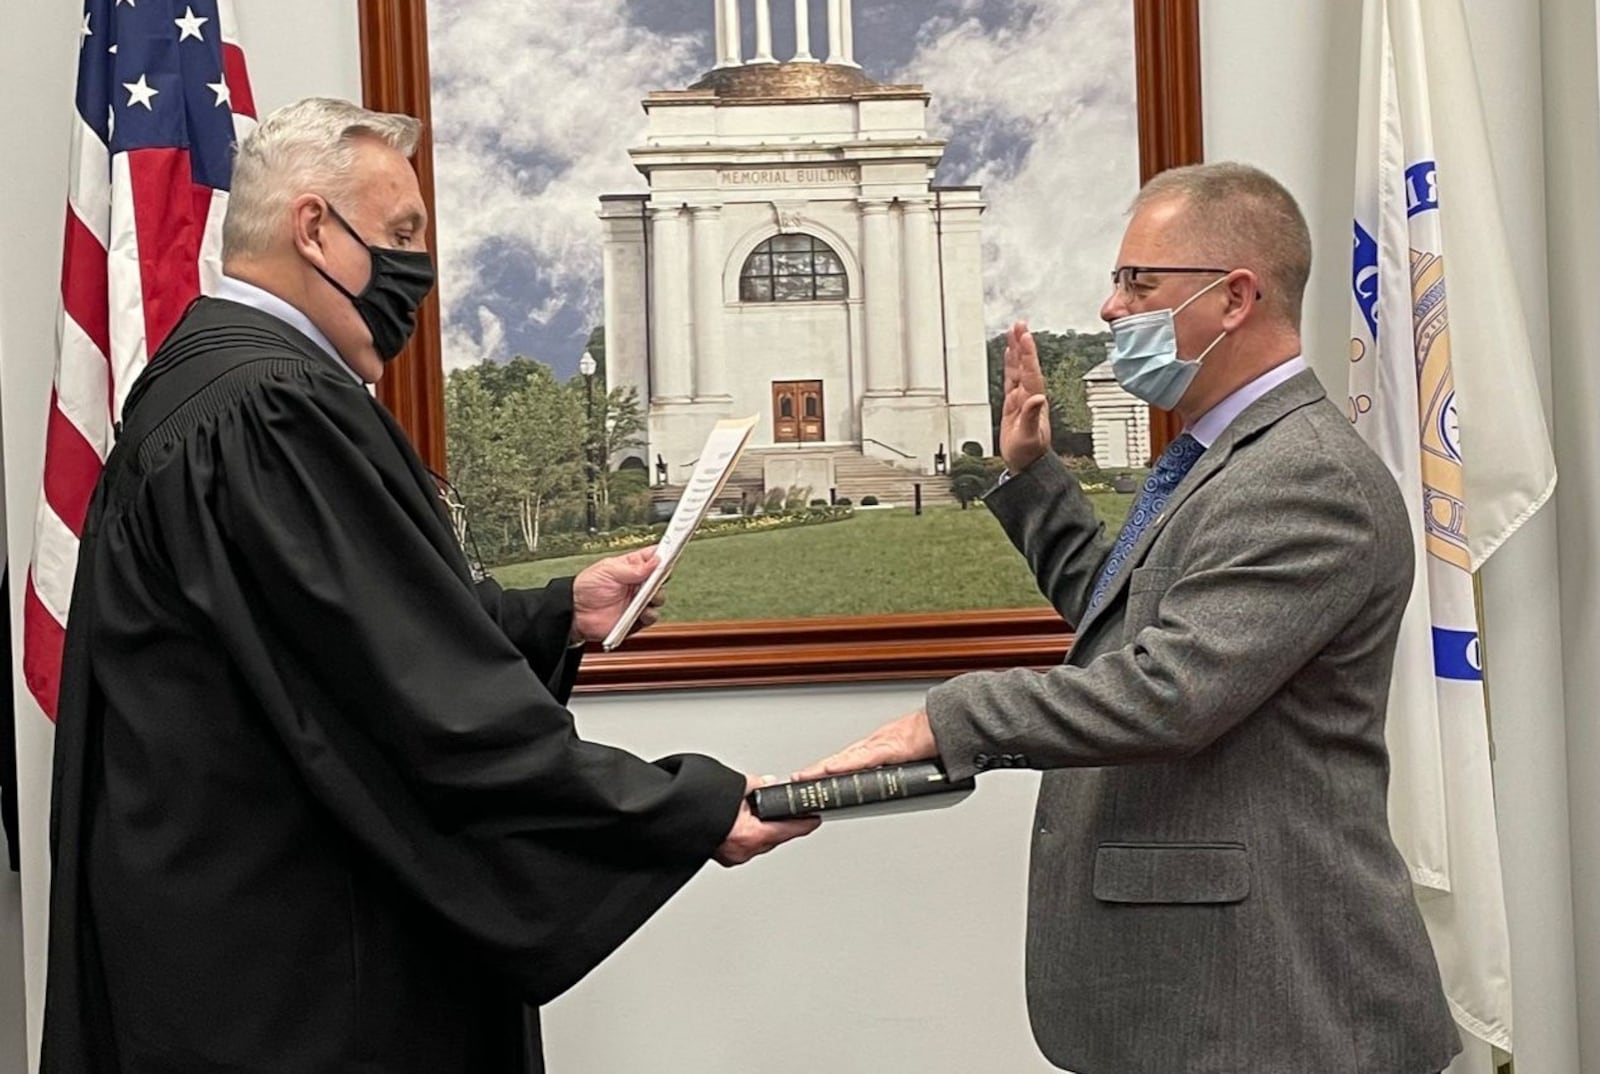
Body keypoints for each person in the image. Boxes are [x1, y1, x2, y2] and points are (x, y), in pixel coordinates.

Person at [42, 97, 816, 1074]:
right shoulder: (271, 410)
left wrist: (553, 616)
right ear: (314, 227)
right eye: (401, 233)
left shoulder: (207, 384)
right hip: (296, 987)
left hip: (222, 951)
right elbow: (422, 698)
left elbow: (334, 642)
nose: (420, 268)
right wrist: (684, 807)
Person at [799, 163, 1461, 1073]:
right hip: (1203, 1000)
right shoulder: (1221, 457)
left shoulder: (1307, 476)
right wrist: (1032, 478)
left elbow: (1167, 692)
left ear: (1234, 298)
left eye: (1137, 281)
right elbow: (1129, 625)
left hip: (1278, 1008)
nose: (1111, 308)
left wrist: (949, 718)